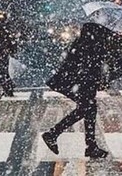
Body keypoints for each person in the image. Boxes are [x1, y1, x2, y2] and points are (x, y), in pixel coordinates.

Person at [42, 23, 114, 159]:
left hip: (80, 82)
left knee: (88, 109)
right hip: (81, 83)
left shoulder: (84, 42)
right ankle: (53, 134)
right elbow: (91, 65)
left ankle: (90, 146)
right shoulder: (91, 44)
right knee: (86, 109)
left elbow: (91, 64)